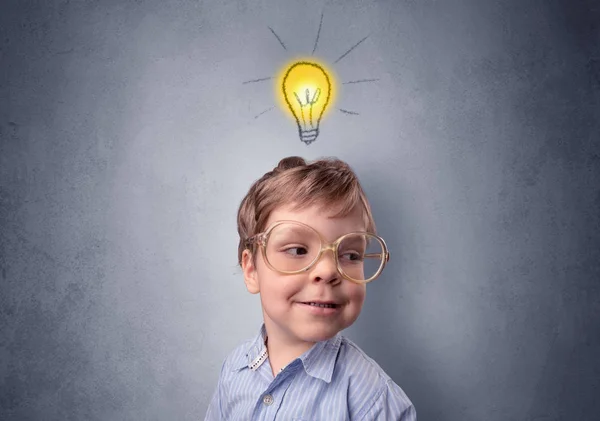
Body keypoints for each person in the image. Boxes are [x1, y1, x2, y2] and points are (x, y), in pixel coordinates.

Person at [205, 156, 416, 420]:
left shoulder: (373, 401)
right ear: (251, 270)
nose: (327, 271)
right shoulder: (234, 369)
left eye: (350, 255)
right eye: (297, 250)